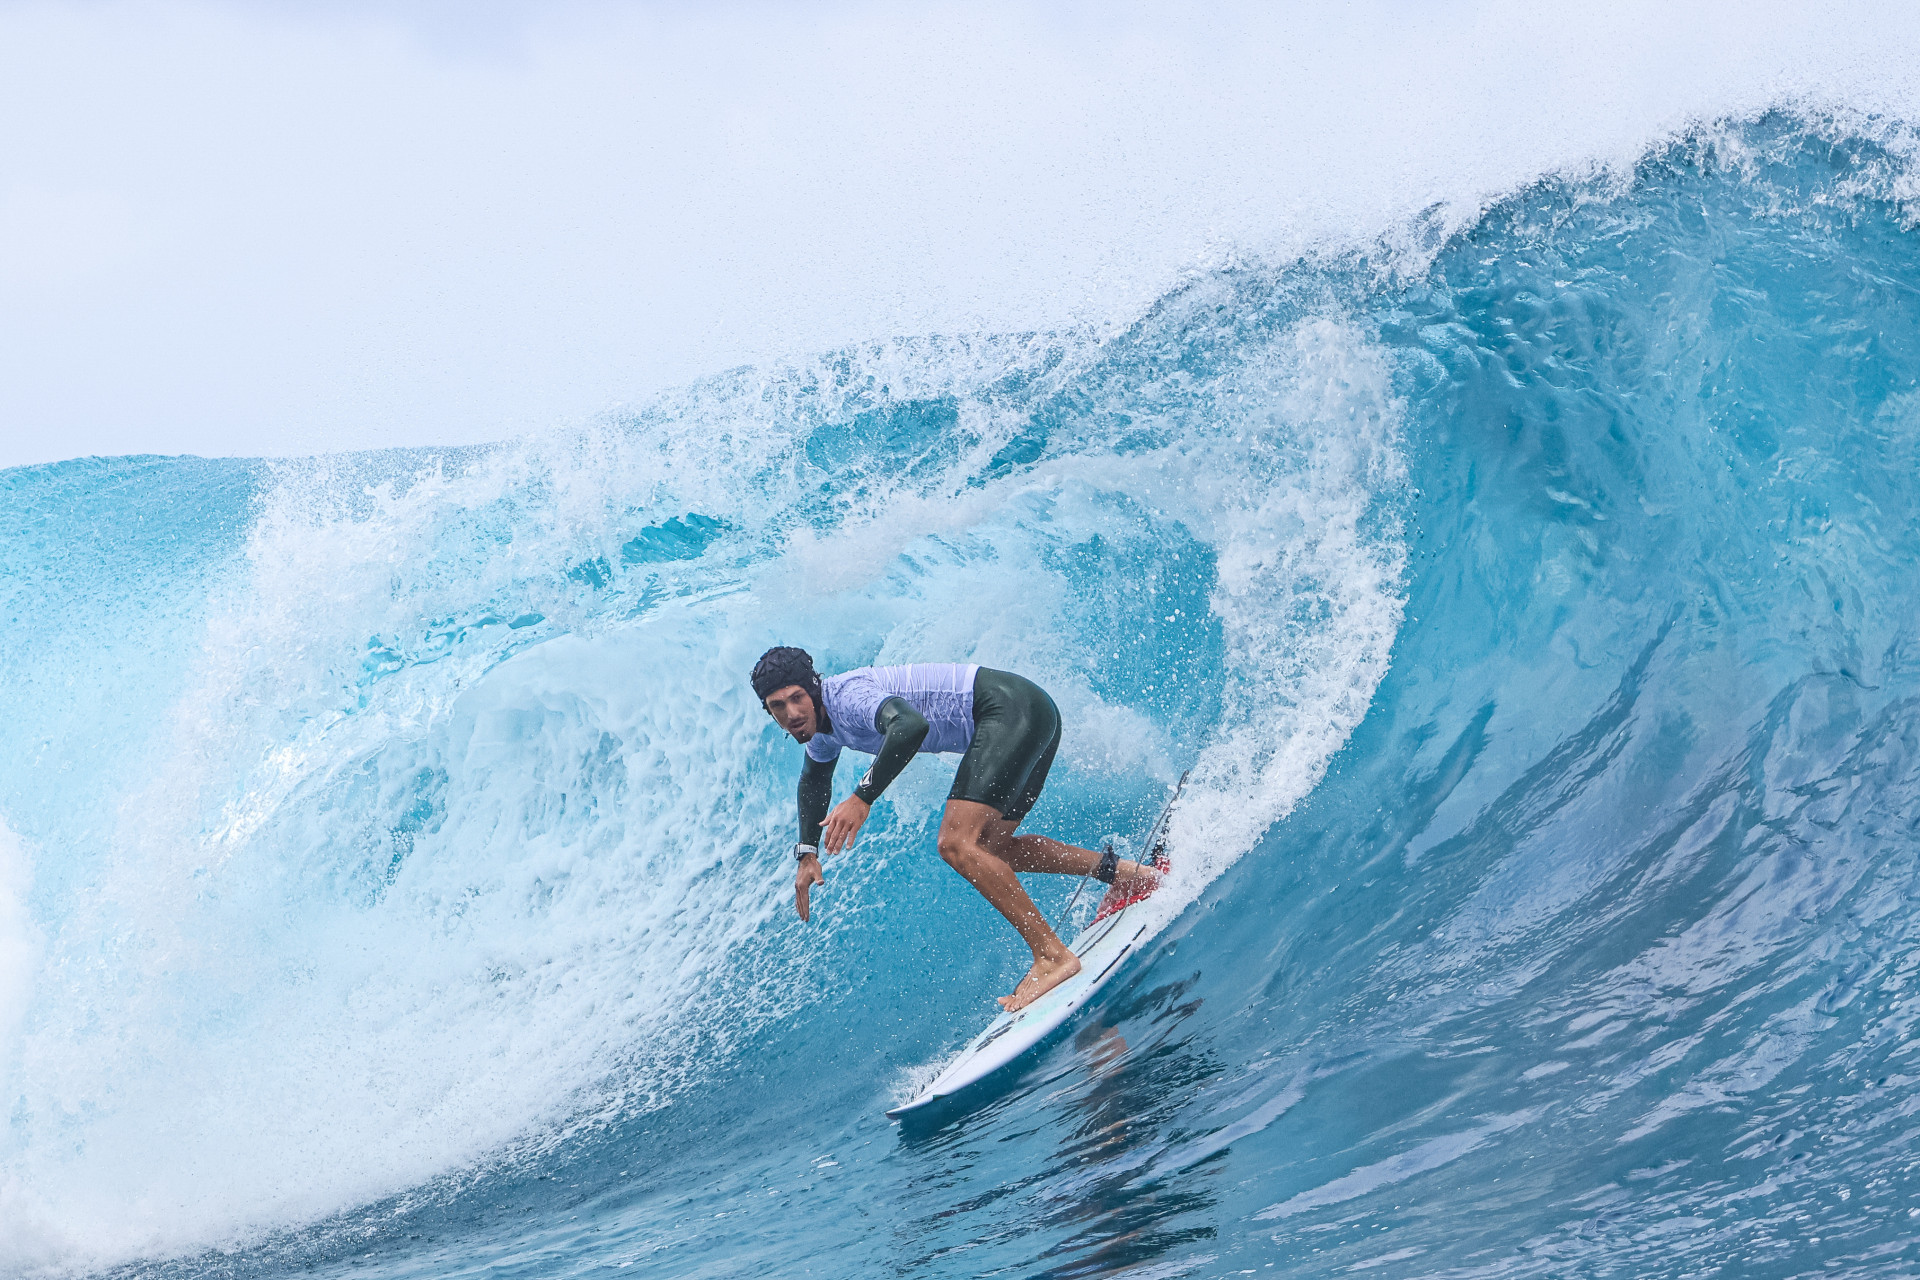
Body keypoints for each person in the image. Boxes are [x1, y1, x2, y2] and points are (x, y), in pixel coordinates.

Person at [750, 647, 1159, 1012]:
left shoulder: (848, 698)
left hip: (1007, 711)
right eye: (777, 706)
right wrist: (807, 853)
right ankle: (1129, 877)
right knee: (992, 848)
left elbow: (909, 725)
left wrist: (862, 798)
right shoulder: (820, 731)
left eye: (797, 698)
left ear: (814, 689)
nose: (792, 713)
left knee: (955, 845)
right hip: (1028, 710)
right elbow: (814, 780)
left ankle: (1052, 957)